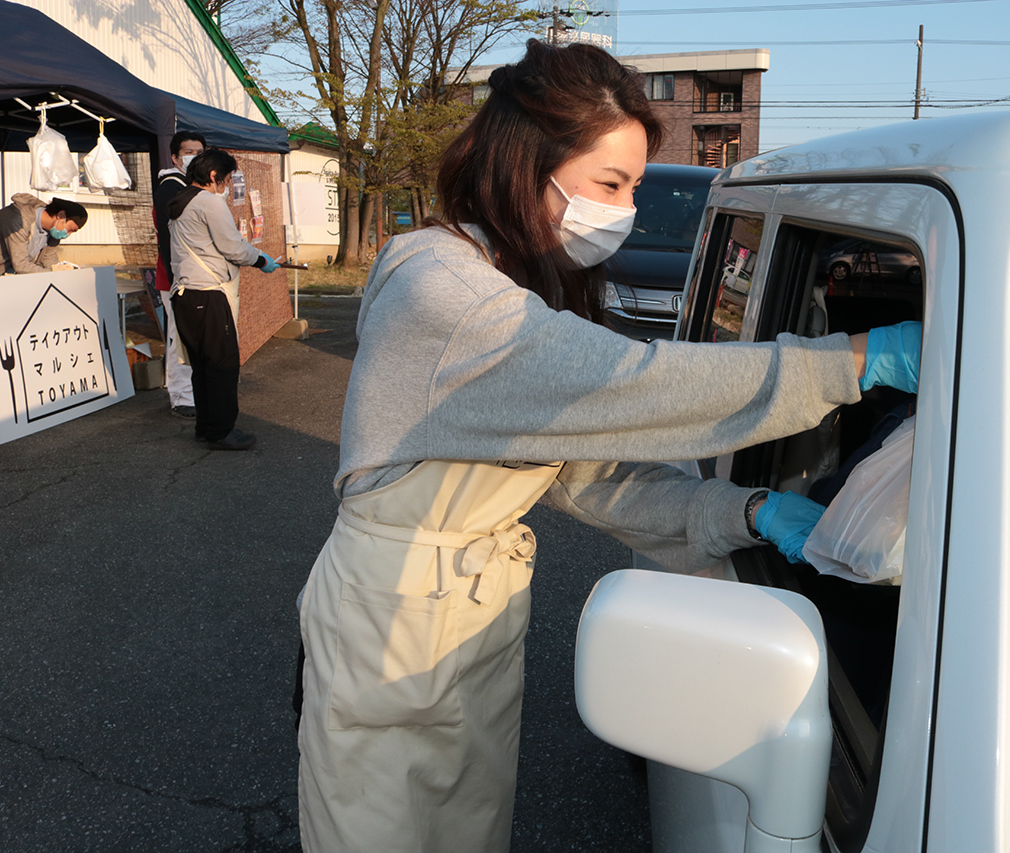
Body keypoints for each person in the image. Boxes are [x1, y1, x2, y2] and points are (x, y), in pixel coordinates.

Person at [295, 40, 921, 853]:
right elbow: (634, 382)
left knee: (467, 829)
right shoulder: (441, 287)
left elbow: (591, 479)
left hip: (465, 615)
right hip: (389, 621)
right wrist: (854, 362)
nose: (624, 210)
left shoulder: (509, 282)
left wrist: (745, 509)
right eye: (611, 184)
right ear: (527, 165)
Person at [167, 148, 280, 451]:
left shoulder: (181, 202)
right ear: (214, 176)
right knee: (222, 365)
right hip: (209, 295)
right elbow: (233, 247)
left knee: (203, 366)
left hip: (185, 295)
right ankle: (221, 431)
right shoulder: (209, 203)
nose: (227, 185)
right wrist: (260, 260)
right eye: (227, 178)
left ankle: (206, 426)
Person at [154, 131, 207, 420]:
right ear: (175, 157)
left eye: (200, 152)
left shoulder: (190, 187)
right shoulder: (170, 187)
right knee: (180, 337)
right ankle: (181, 396)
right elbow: (167, 237)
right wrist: (177, 275)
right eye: (189, 152)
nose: (194, 157)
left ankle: (188, 391)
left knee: (190, 336)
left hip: (190, 276)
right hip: (176, 276)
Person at [0, 196, 87, 277]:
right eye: (71, 230)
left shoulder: (53, 232)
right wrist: (53, 272)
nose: (68, 234)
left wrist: (61, 270)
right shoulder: (18, 220)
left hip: (11, 271)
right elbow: (21, 265)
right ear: (61, 216)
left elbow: (49, 258)